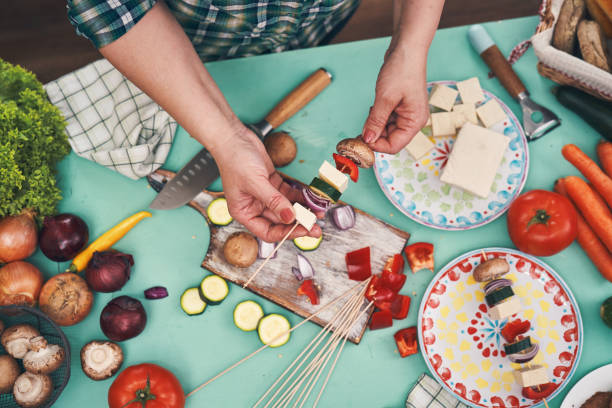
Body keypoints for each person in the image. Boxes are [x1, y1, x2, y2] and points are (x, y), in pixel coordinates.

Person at [66, 0, 445, 242]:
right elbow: (112, 8)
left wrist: (410, 47)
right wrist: (227, 140)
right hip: (188, 41)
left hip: (318, 20)